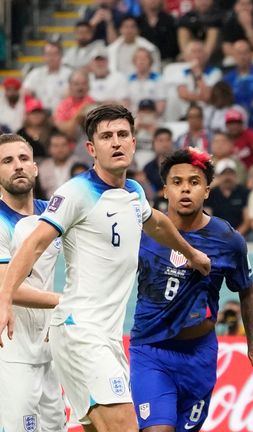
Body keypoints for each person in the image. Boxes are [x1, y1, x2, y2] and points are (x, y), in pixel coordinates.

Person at [0, 104, 212, 431]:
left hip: (104, 336)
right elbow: (36, 242)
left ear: (133, 141)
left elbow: (155, 222)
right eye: (106, 136)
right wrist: (4, 296)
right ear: (91, 149)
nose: (116, 142)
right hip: (81, 331)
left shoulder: (134, 192)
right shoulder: (76, 192)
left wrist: (192, 253)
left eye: (122, 135)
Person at [130, 148, 253, 431]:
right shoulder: (142, 231)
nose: (185, 189)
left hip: (199, 354)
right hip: (151, 350)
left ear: (207, 191)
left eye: (194, 182)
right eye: (177, 182)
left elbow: (248, 290)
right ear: (165, 191)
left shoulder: (228, 239)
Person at [0, 134, 65, 432]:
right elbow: (8, 288)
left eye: (24, 159)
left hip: (50, 354)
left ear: (36, 168)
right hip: (11, 356)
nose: (18, 166)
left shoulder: (54, 215)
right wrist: (67, 302)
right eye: (7, 161)